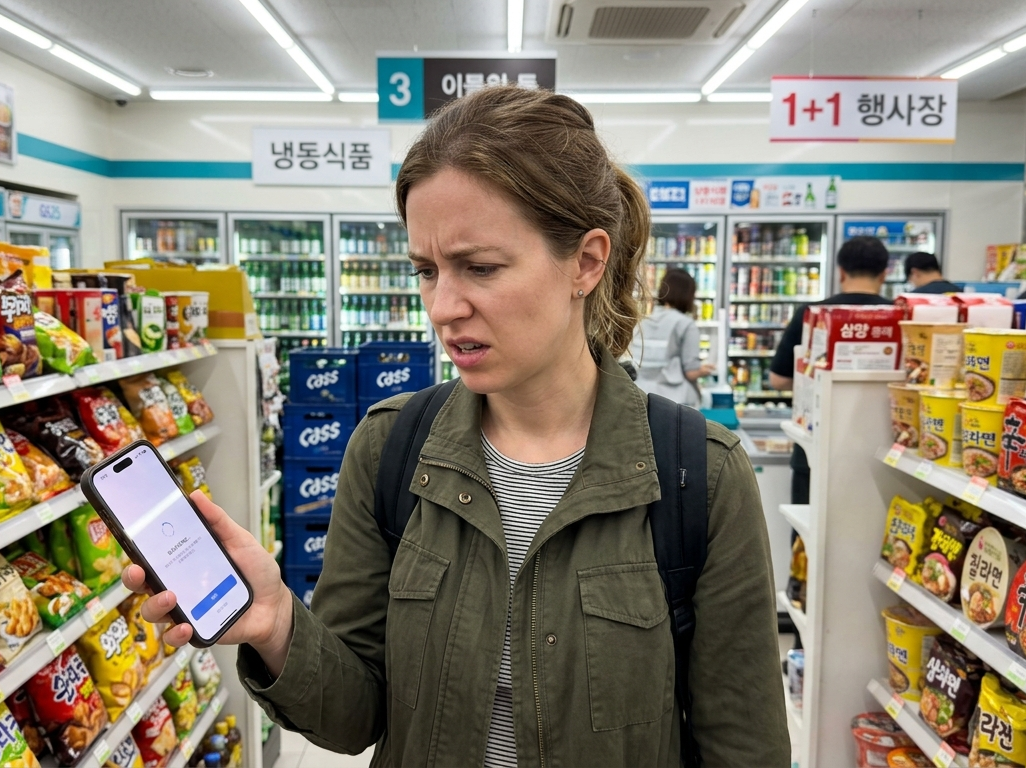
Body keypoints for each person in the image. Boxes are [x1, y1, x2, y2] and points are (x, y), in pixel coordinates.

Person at [125, 85, 790, 767]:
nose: (443, 307)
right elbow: (354, 718)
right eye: (426, 270)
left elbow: (745, 746)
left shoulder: (698, 474)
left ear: (586, 262)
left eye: (480, 267)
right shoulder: (390, 449)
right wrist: (277, 626)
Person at [768, 236, 893, 504]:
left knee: (807, 538)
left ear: (841, 272)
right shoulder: (900, 316)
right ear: (884, 274)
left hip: (816, 446)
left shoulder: (811, 313)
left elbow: (778, 379)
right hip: (886, 449)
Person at [630, 267, 717, 406]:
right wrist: (706, 370)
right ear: (688, 294)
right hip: (674, 401)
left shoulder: (643, 322)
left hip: (640, 397)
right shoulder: (686, 324)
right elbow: (691, 372)